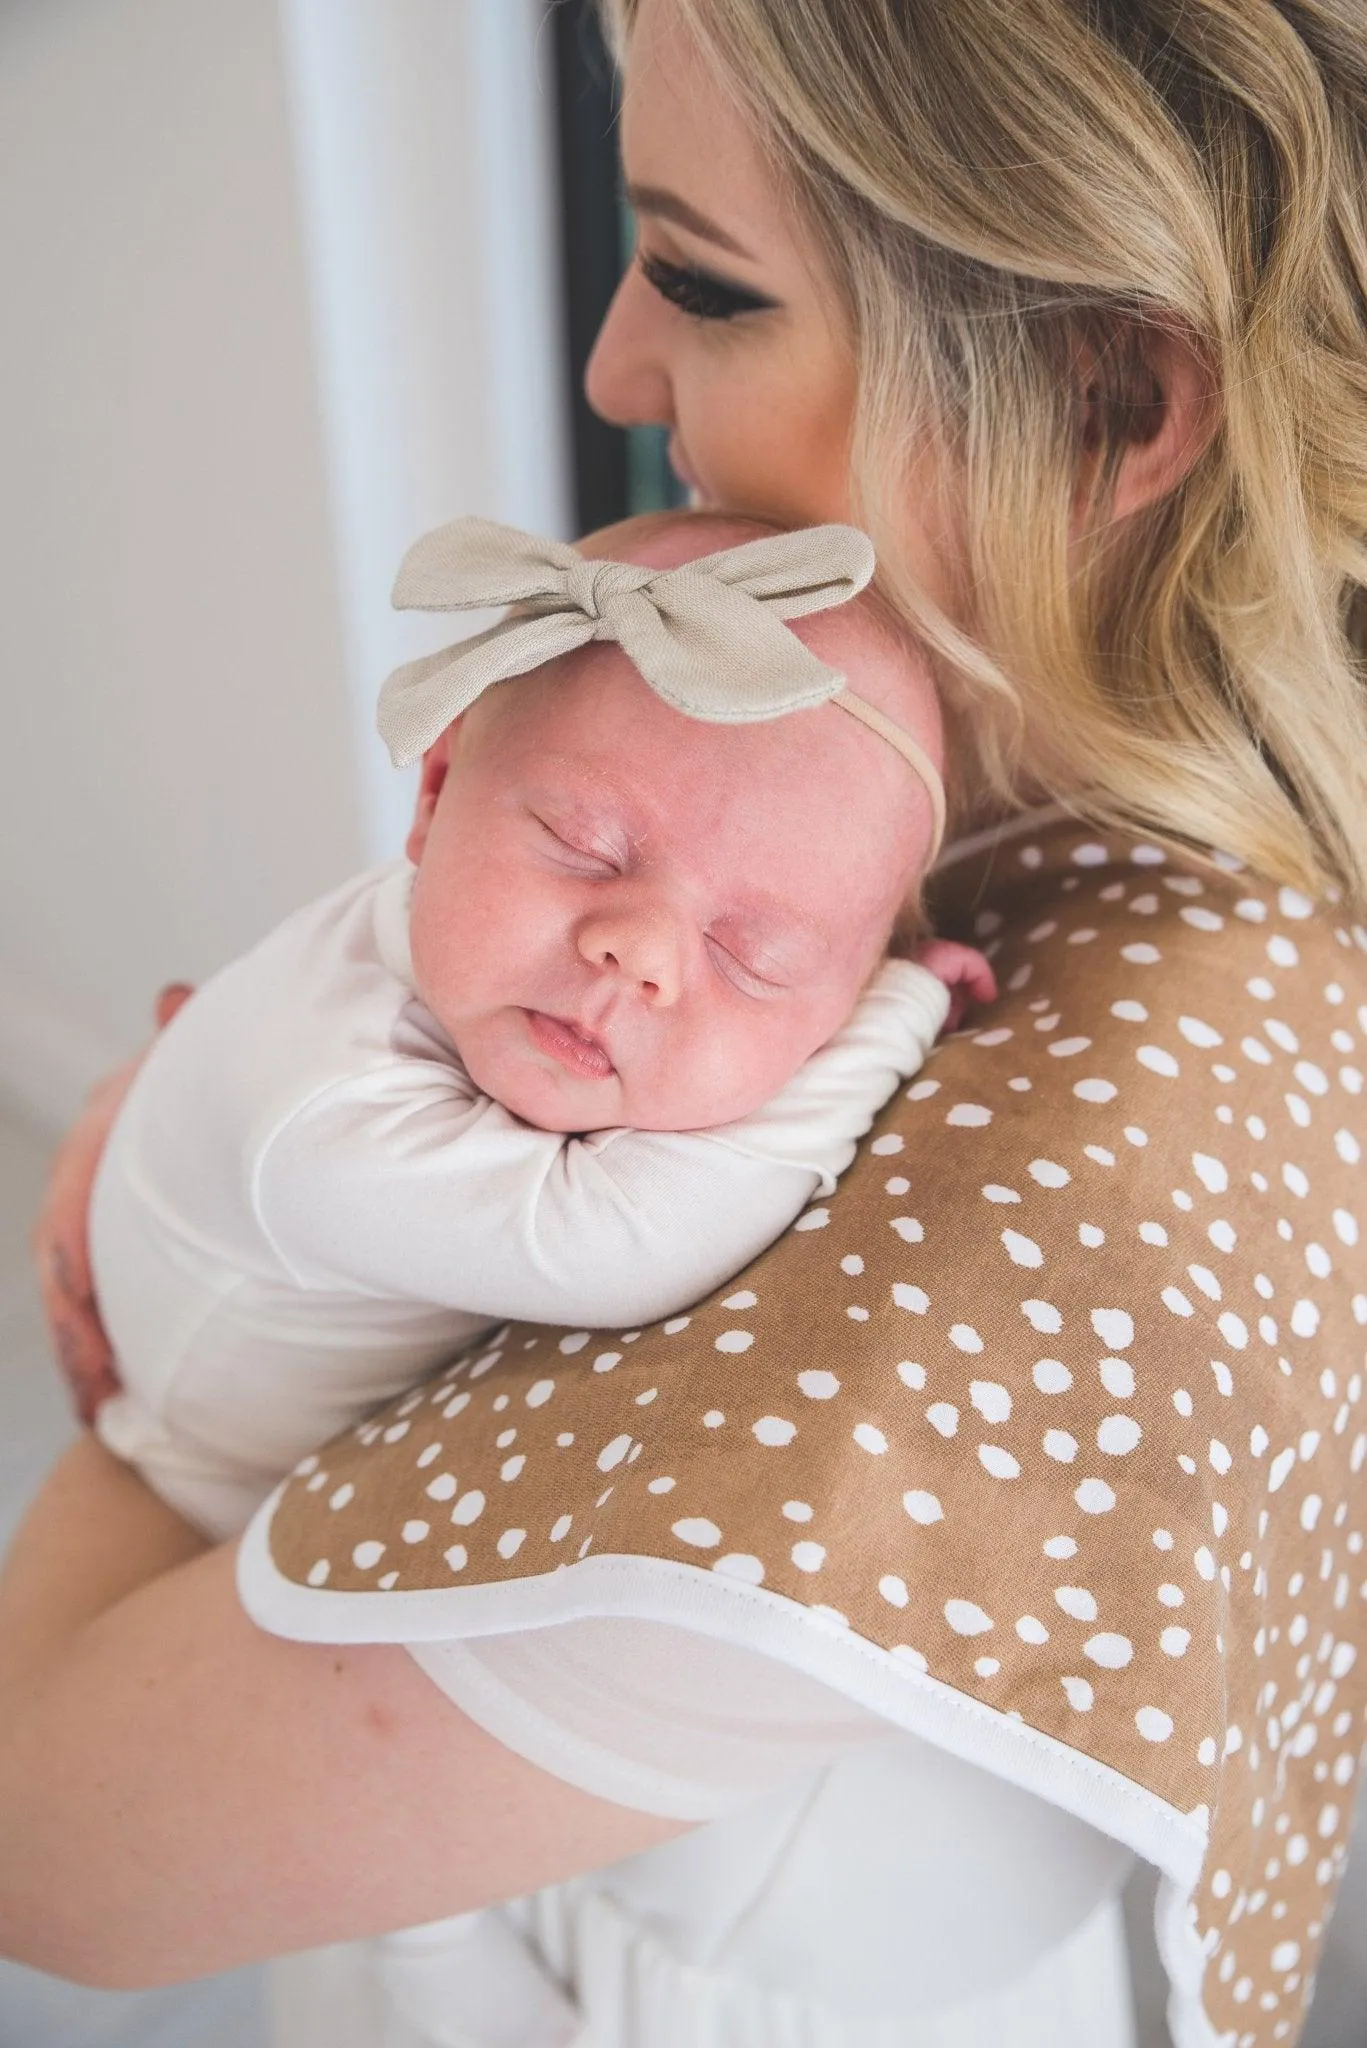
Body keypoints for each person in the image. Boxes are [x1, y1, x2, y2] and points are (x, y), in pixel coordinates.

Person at [6, 2, 1364, 2045]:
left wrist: (210, 1233)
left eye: (703, 280)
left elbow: (50, 1839)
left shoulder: (1013, 1264)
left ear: (1099, 397)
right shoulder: (1041, 780)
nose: (610, 368)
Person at [89, 505, 986, 1543]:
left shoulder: (453, 945)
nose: (636, 950)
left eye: (752, 955)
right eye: (583, 846)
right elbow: (629, 1247)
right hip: (201, 1482)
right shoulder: (321, 1113)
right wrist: (894, 1014)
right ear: (434, 792)